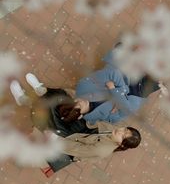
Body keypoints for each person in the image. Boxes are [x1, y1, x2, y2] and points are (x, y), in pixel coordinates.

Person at [10, 74, 141, 176]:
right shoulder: (114, 131)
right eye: (125, 129)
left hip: (67, 141)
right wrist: (83, 111)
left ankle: (24, 100)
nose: (120, 131)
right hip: (76, 131)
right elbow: (93, 122)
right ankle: (42, 90)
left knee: (47, 115)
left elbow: (74, 148)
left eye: (123, 135)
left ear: (121, 144)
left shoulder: (102, 150)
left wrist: (55, 138)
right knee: (66, 100)